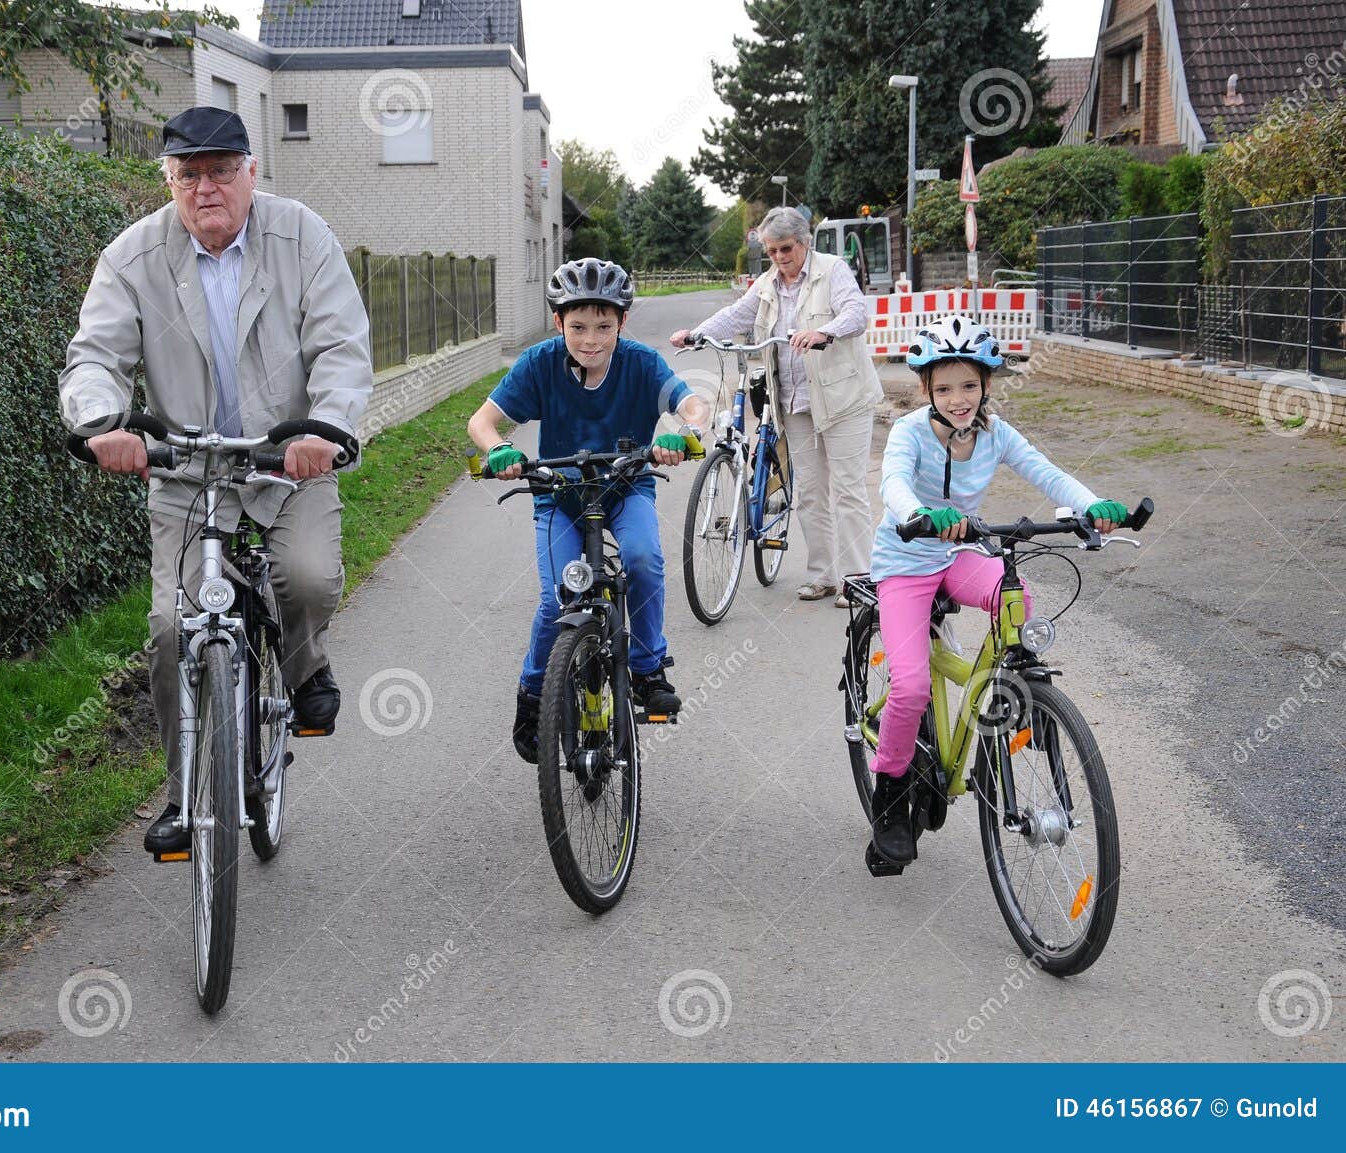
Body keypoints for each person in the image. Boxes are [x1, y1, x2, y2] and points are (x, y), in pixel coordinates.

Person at [58, 107, 373, 854]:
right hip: (186, 470)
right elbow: (94, 355)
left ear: (252, 173)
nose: (207, 188)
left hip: (288, 457)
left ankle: (301, 665)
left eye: (222, 170)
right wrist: (104, 423)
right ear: (168, 181)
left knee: (304, 576)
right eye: (189, 174)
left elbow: (341, 345)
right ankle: (184, 797)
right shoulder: (132, 256)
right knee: (174, 628)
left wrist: (324, 429)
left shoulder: (303, 236)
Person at [864, 316, 1130, 865]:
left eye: (968, 385)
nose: (958, 399)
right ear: (926, 390)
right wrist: (918, 513)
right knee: (911, 686)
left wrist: (1091, 505)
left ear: (986, 384)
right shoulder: (910, 432)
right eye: (943, 388)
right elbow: (892, 482)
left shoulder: (994, 433)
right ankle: (890, 795)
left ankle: (1018, 699)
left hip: (961, 554)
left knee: (1018, 599)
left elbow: (1046, 472)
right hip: (906, 563)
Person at [468, 258, 709, 764]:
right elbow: (482, 423)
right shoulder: (539, 363)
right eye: (577, 327)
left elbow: (694, 405)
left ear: (623, 321)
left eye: (604, 326)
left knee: (643, 560)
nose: (591, 339)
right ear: (559, 323)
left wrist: (682, 432)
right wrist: (497, 451)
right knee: (559, 599)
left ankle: (646, 669)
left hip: (625, 488)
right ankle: (534, 695)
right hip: (559, 495)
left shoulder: (641, 364)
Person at [670, 206, 881, 607]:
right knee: (810, 493)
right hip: (795, 402)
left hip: (843, 399)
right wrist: (696, 334)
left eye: (786, 248)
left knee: (849, 490)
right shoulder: (766, 284)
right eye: (772, 251)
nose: (780, 257)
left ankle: (861, 580)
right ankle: (823, 576)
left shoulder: (831, 270)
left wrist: (823, 332)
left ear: (804, 243)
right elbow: (736, 316)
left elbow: (856, 314)